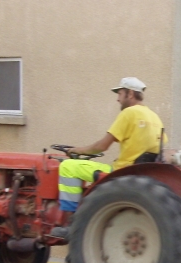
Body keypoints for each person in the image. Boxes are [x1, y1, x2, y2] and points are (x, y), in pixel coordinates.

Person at [51, 77, 166, 239]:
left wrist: (75, 150)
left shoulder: (129, 113)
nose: (117, 98)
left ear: (130, 94)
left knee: (69, 167)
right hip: (139, 173)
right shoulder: (154, 117)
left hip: (121, 171)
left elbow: (102, 146)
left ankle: (70, 223)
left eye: (120, 93)